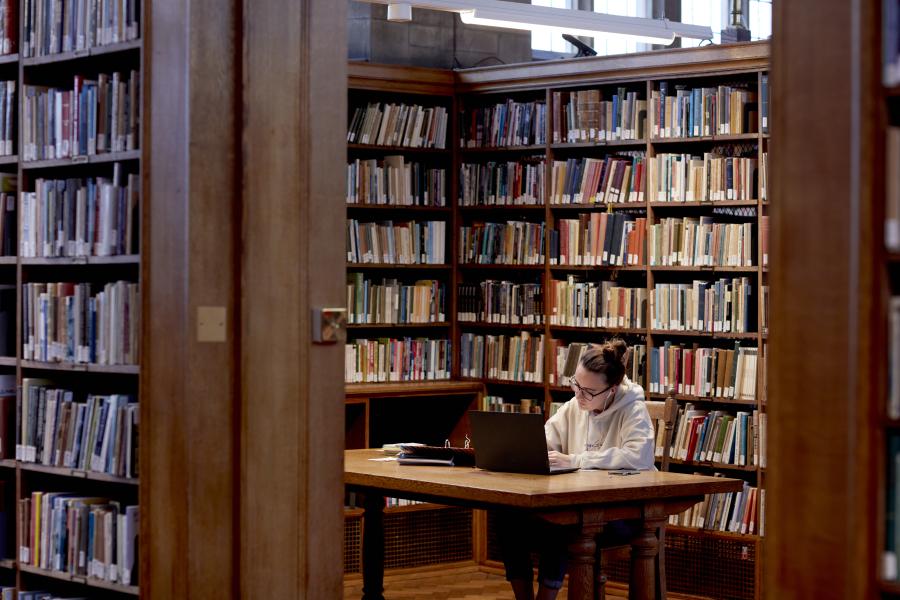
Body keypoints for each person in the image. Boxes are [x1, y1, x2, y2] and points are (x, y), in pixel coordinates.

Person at [499, 339, 655, 600]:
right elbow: (546, 438)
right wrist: (524, 450)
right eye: (576, 385)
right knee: (509, 517)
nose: (579, 395)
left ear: (613, 390)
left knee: (562, 523)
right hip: (576, 504)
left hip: (621, 512)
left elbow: (638, 456)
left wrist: (577, 460)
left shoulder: (633, 410)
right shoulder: (576, 404)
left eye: (589, 392)